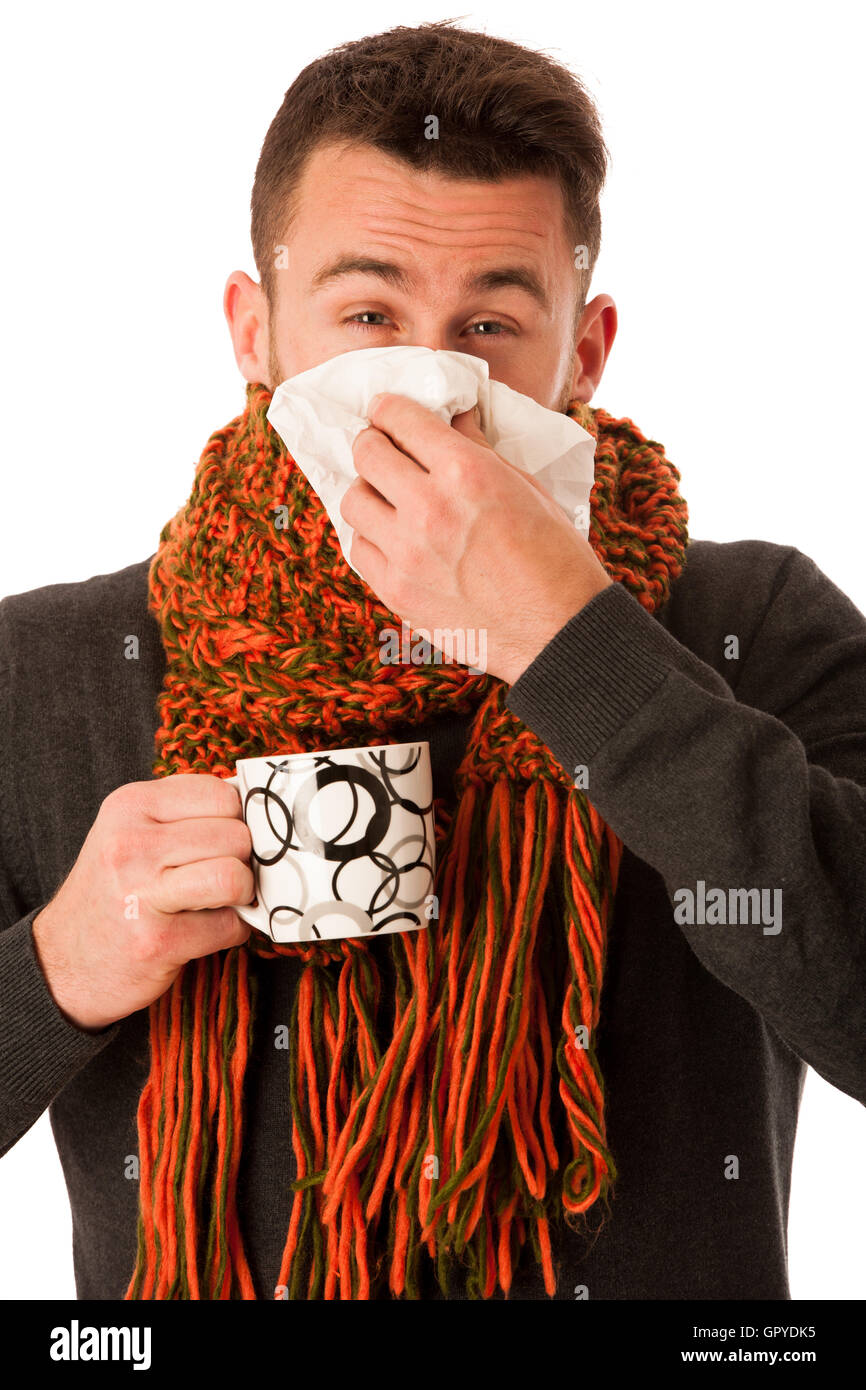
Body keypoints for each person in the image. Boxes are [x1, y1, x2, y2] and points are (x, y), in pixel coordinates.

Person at [1, 19, 864, 1302]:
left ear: (583, 351)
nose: (431, 387)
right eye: (366, 312)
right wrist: (58, 966)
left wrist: (571, 643)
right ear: (254, 330)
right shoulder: (48, 668)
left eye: (490, 325)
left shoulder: (750, 618)